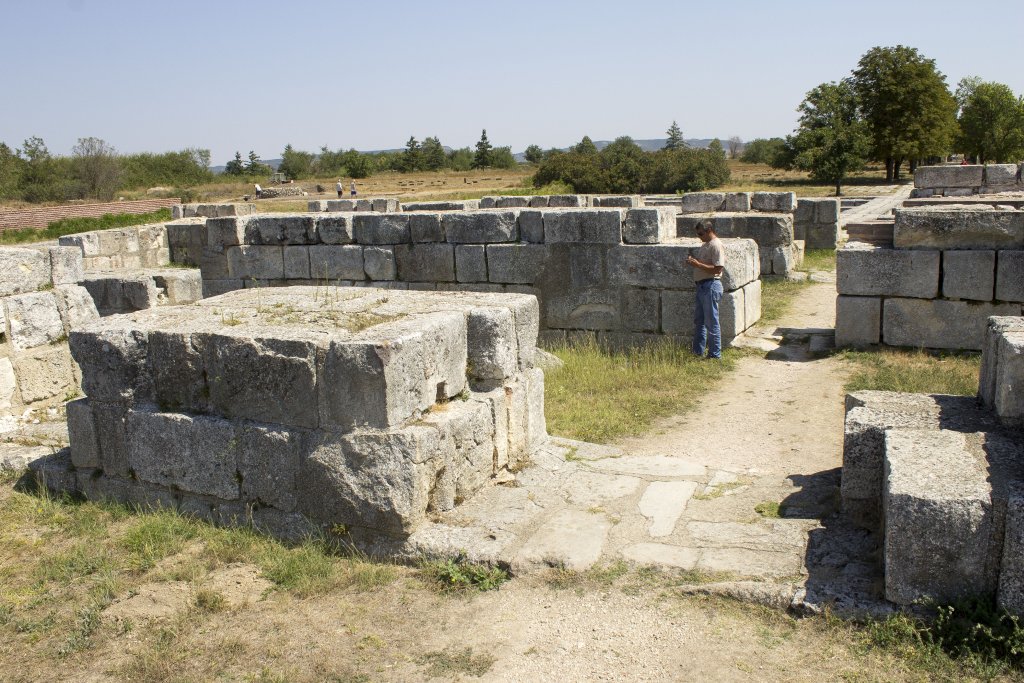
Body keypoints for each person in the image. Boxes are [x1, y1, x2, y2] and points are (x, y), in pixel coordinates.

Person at [685, 221, 726, 359]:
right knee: (700, 321)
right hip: (702, 286)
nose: (699, 236)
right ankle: (698, 351)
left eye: (701, 233)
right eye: (697, 234)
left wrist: (698, 264)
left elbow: (718, 268)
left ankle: (715, 355)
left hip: (711, 285)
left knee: (711, 322)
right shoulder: (706, 245)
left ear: (709, 230)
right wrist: (695, 263)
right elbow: (705, 264)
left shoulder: (716, 245)